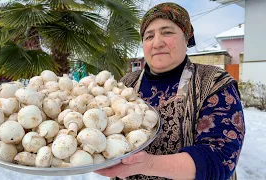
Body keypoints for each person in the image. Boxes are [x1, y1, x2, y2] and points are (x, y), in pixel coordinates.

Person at [95, 2, 245, 180]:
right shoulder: (126, 85)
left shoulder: (213, 82)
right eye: (149, 36)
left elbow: (221, 160)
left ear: (186, 39)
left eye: (167, 32)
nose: (157, 43)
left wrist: (149, 165)